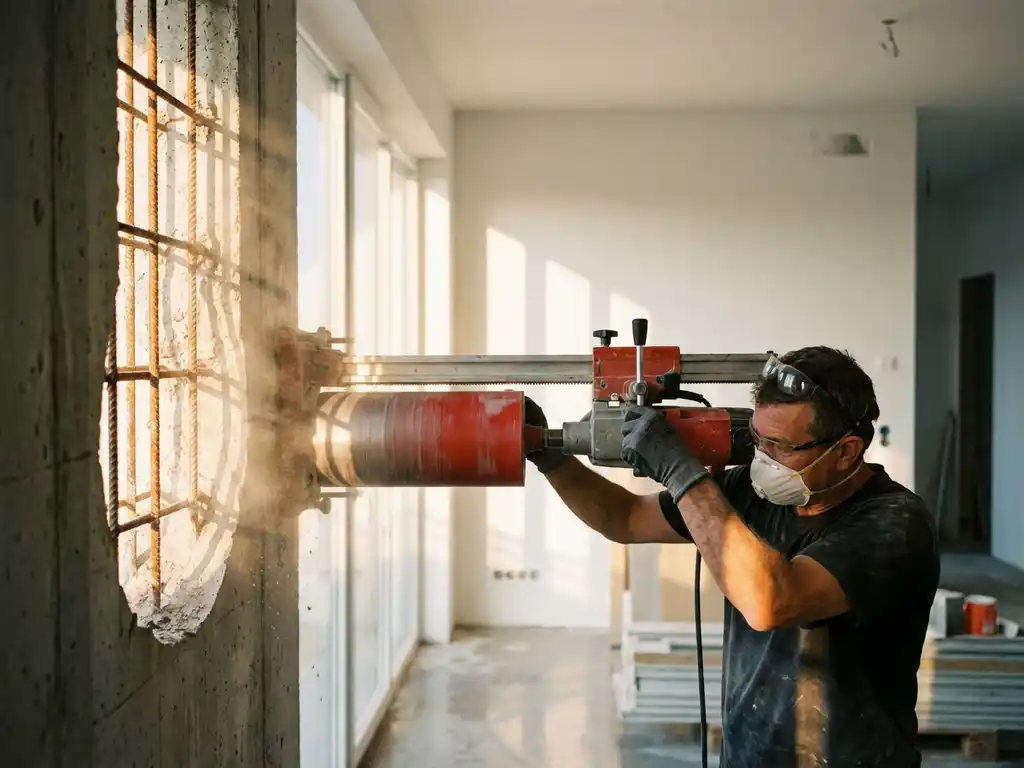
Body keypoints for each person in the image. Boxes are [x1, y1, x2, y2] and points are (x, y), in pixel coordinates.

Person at [525, 346, 940, 768]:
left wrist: (682, 473)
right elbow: (626, 519)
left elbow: (771, 602)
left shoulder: (894, 524)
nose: (763, 457)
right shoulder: (751, 493)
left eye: (780, 446)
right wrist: (550, 455)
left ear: (847, 451)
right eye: (758, 438)